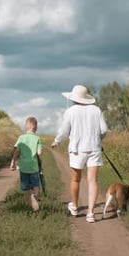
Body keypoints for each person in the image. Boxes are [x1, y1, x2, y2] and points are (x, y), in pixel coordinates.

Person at [51, 85, 108, 223]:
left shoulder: (71, 111)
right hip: (94, 148)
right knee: (92, 180)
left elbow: (64, 131)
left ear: (74, 98)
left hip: (77, 149)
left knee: (75, 179)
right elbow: (104, 130)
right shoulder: (96, 110)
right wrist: (98, 140)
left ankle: (75, 207)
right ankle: (90, 213)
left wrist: (56, 141)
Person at [10, 116, 43, 211]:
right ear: (34, 128)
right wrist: (40, 157)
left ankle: (30, 205)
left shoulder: (21, 138)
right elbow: (39, 153)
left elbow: (16, 150)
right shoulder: (37, 138)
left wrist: (13, 161)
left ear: (27, 127)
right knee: (36, 185)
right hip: (34, 166)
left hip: (23, 166)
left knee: (26, 188)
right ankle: (35, 196)